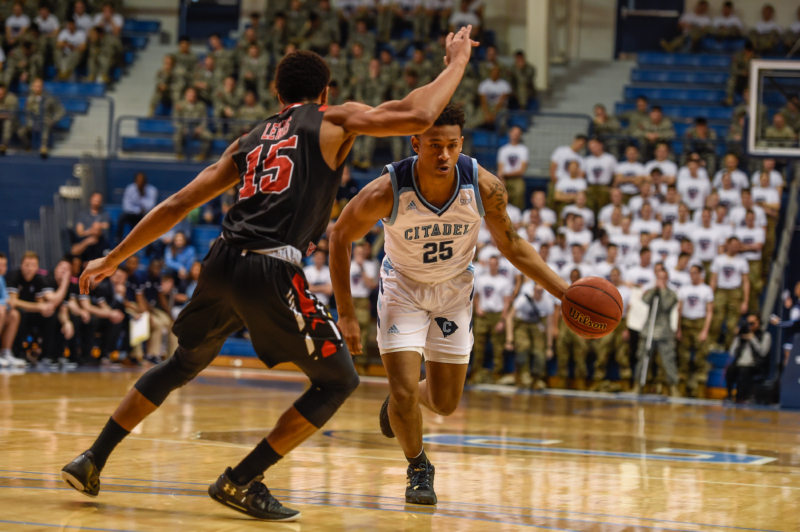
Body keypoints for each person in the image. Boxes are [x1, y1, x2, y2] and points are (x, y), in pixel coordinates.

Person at [63, 33, 480, 517]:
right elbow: (419, 114)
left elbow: (179, 202)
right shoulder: (333, 119)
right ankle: (242, 479)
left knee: (182, 363)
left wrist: (113, 256)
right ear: (325, 93)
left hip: (221, 260)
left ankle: (93, 457)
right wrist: (457, 62)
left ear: (278, 94)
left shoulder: (251, 139)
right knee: (338, 382)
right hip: (271, 265)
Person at [328, 99, 568, 504]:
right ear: (415, 142)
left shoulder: (484, 187)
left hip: (454, 292)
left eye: (453, 146)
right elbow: (339, 238)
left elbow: (512, 245)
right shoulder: (387, 190)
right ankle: (418, 466)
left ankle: (404, 401)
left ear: (462, 144)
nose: (444, 155)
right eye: (435, 145)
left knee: (444, 402)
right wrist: (347, 314)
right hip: (403, 289)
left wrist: (565, 292)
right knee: (404, 390)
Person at [633, 269, 679, 396]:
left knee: (668, 361)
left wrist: (663, 290)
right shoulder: (652, 292)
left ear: (667, 279)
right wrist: (654, 289)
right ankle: (639, 385)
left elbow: (666, 305)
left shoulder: (671, 294)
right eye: (658, 277)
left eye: (663, 278)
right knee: (642, 359)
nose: (660, 280)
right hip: (649, 331)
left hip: (665, 333)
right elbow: (644, 300)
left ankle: (673, 387)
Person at [505, 279, 554, 390]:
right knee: (523, 346)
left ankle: (536, 379)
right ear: (533, 290)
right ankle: (523, 376)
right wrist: (509, 339)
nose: (538, 293)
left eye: (541, 291)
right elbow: (509, 317)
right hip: (523, 324)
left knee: (539, 353)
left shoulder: (547, 302)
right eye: (537, 291)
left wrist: (549, 346)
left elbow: (550, 325)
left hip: (537, 325)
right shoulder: (523, 299)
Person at [676, 264, 714, 397]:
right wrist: (678, 328)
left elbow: (710, 311)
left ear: (700, 274)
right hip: (686, 323)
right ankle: (682, 388)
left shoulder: (706, 290)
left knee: (701, 358)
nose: (692, 275)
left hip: (700, 322)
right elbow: (679, 310)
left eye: (695, 273)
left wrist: (705, 330)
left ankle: (700, 389)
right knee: (683, 357)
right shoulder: (683, 289)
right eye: (690, 273)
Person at [591, 267, 631, 391]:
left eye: (616, 274)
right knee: (602, 350)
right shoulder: (605, 289)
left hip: (622, 322)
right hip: (607, 321)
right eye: (612, 274)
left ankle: (625, 382)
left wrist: (627, 328)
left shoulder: (626, 291)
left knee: (622, 353)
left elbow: (630, 310)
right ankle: (598, 380)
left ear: (620, 276)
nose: (614, 277)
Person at [709, 237, 749, 349]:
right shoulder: (719, 259)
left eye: (737, 245)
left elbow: (746, 282)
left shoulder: (742, 261)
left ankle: (729, 346)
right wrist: (710, 297)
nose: (735, 247)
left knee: (732, 323)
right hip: (721, 291)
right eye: (733, 245)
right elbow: (713, 279)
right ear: (727, 245)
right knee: (716, 319)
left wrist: (745, 301)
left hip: (735, 292)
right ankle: (711, 344)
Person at [726, 314, 771, 402]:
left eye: (752, 323)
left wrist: (752, 339)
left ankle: (747, 396)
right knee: (730, 369)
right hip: (740, 363)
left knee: (744, 370)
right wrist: (737, 337)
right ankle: (729, 395)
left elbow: (763, 352)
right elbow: (731, 353)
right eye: (748, 323)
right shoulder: (742, 335)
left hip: (756, 364)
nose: (750, 326)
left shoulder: (765, 335)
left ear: (759, 323)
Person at [17, 77, 64, 158]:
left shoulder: (49, 98)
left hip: (45, 121)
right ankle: (28, 146)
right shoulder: (29, 99)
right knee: (21, 132)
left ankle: (43, 147)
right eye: (35, 86)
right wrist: (30, 122)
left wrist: (53, 120)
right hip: (33, 122)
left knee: (44, 124)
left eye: (39, 86)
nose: (37, 88)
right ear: (32, 87)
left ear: (42, 87)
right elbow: (27, 113)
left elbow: (61, 111)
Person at [349, 240, 377, 369]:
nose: (360, 255)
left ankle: (361, 363)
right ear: (354, 252)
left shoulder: (369, 266)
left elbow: (370, 285)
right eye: (358, 252)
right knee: (347, 331)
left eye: (362, 252)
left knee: (363, 333)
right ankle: (347, 364)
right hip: (350, 300)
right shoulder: (348, 265)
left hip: (363, 301)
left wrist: (361, 267)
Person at [735, 210, 765, 314]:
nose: (750, 220)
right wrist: (751, 247)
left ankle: (753, 313)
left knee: (754, 287)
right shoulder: (739, 231)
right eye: (748, 218)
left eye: (752, 218)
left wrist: (743, 247)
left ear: (754, 219)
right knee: (739, 286)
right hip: (740, 260)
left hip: (754, 262)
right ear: (745, 219)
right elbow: (736, 247)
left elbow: (759, 246)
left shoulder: (759, 231)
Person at [173, 86, 213, 161]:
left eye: (193, 94)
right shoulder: (180, 105)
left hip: (197, 128)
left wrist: (201, 128)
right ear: (185, 95)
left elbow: (205, 119)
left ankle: (202, 155)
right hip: (184, 128)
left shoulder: (201, 105)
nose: (191, 96)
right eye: (189, 94)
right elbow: (176, 120)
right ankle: (179, 155)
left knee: (208, 136)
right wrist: (182, 128)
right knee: (176, 136)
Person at [118, 172, 158, 242]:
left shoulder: (152, 190)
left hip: (144, 215)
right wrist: (138, 210)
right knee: (122, 217)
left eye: (142, 181)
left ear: (145, 181)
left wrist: (141, 196)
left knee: (151, 219)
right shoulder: (130, 189)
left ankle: (148, 244)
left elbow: (150, 206)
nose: (140, 183)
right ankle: (118, 241)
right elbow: (126, 206)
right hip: (132, 214)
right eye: (138, 181)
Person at [496, 125, 528, 210]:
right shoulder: (503, 150)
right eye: (514, 133)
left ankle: (517, 215)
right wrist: (502, 179)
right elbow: (500, 169)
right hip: (504, 179)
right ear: (510, 134)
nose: (515, 135)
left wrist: (505, 174)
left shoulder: (523, 149)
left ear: (520, 135)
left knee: (518, 193)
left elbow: (521, 170)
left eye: (518, 134)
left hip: (517, 179)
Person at [0, 252, 23, 367]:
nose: (1, 268)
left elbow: (7, 299)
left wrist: (9, 303)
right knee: (1, 311)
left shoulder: (1, 280)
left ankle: (6, 352)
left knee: (14, 315)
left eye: (4, 265)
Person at [72, 192, 111, 262]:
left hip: (100, 247)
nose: (97, 201)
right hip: (85, 244)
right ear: (90, 200)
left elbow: (106, 225)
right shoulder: (82, 215)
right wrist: (88, 238)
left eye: (99, 199)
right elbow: (79, 232)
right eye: (95, 199)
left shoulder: (105, 215)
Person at [583, 137, 616, 215]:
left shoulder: (610, 159)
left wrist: (613, 187)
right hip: (591, 186)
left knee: (603, 209)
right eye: (590, 147)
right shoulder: (587, 160)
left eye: (594, 146)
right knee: (590, 209)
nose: (592, 149)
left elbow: (616, 175)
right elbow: (582, 175)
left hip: (604, 187)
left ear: (601, 145)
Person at [477, 65, 511, 131]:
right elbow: (483, 101)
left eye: (497, 72)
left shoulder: (505, 85)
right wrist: (487, 114)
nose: (495, 74)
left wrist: (493, 114)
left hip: (499, 107)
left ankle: (500, 132)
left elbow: (501, 102)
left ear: (499, 73)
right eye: (493, 72)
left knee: (502, 116)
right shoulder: (483, 84)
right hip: (487, 106)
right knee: (478, 115)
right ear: (490, 72)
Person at [0, 82, 19, 155]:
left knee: (7, 122)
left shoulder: (12, 98)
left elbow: (12, 114)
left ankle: (4, 145)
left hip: (12, 123)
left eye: (1, 93)